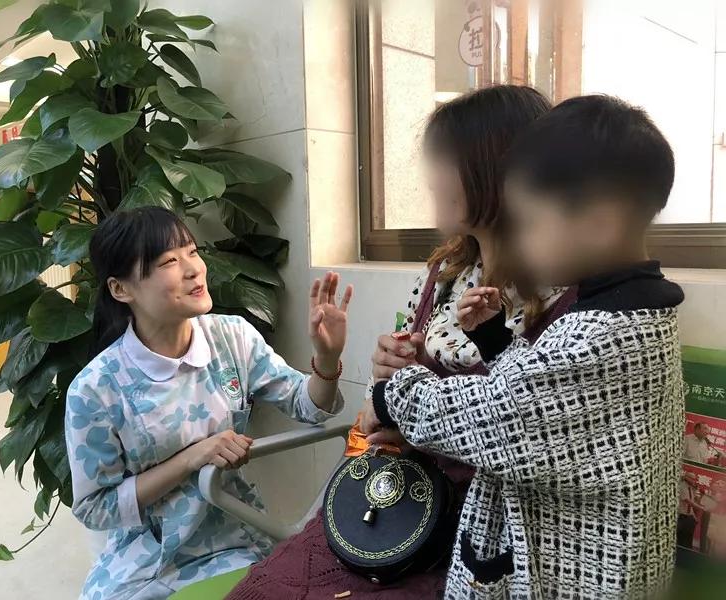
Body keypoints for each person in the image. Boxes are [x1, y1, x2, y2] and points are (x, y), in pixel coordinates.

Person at [228, 85, 573, 600]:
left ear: (500, 168)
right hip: (398, 499)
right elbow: (393, 394)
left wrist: (408, 415)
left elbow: (538, 435)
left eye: (444, 159)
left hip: (488, 525)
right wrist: (387, 369)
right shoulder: (444, 272)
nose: (429, 175)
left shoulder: (565, 296)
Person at [363, 95, 685, 598]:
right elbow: (538, 394)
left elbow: (499, 415)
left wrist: (391, 395)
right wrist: (495, 339)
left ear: (599, 223)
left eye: (530, 224)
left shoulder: (603, 335)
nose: (523, 242)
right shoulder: (626, 311)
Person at [65, 207, 353, 600]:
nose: (193, 269)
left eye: (192, 252)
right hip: (143, 562)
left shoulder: (232, 338)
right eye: (169, 261)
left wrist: (327, 358)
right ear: (121, 289)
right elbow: (96, 508)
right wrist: (191, 458)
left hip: (235, 540)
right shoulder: (95, 389)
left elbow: (308, 406)